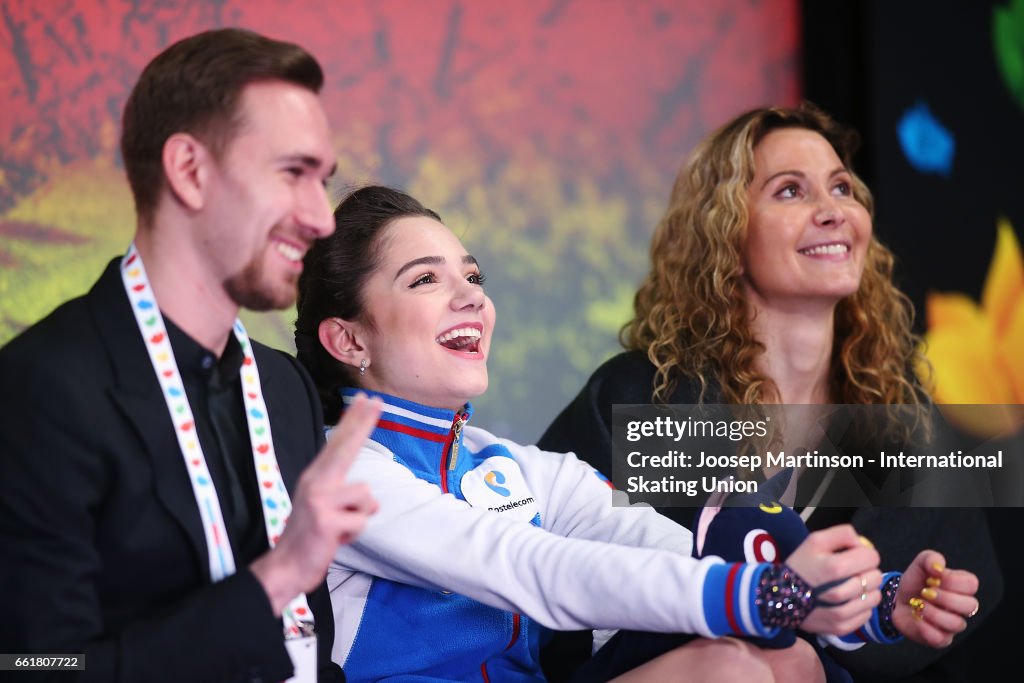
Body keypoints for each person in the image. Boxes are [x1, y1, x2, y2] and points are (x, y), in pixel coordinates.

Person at [292, 185, 921, 683]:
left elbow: (666, 554)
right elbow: (532, 567)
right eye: (426, 279)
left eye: (474, 277)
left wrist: (859, 604)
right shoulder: (338, 470)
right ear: (349, 338)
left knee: (788, 658)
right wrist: (764, 593)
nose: (472, 299)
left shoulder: (514, 466)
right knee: (728, 665)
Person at [538, 103, 997, 681]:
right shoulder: (644, 396)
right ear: (726, 230)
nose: (832, 211)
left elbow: (941, 639)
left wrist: (915, 605)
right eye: (790, 192)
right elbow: (565, 594)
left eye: (841, 188)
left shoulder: (907, 426)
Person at [0, 29, 381, 682]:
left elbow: (308, 647)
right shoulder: (39, 389)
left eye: (324, 179)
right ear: (189, 170)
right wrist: (278, 575)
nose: (322, 218)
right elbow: (35, 667)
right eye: (293, 172)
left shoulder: (282, 388)